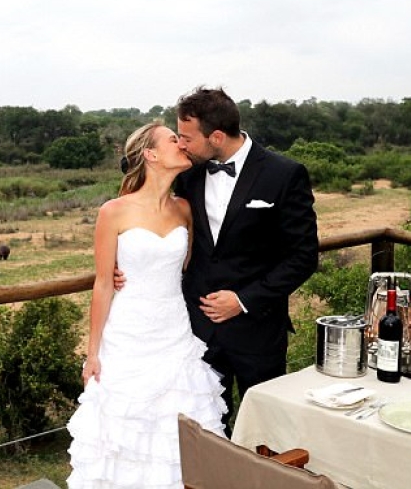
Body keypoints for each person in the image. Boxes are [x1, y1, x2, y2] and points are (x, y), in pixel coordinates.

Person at [67, 122, 227, 488]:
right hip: (127, 337)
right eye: (174, 139)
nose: (182, 144)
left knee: (180, 429)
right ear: (150, 154)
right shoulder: (113, 211)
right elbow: (104, 282)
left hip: (173, 334)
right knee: (125, 436)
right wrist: (92, 353)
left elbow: (184, 268)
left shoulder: (184, 208)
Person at [171, 86, 319, 432]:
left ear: (217, 136)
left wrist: (243, 300)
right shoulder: (187, 172)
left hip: (258, 331)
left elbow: (304, 256)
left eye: (187, 138)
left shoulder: (284, 174)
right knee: (205, 428)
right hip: (197, 331)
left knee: (265, 431)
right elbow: (138, 176)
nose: (181, 145)